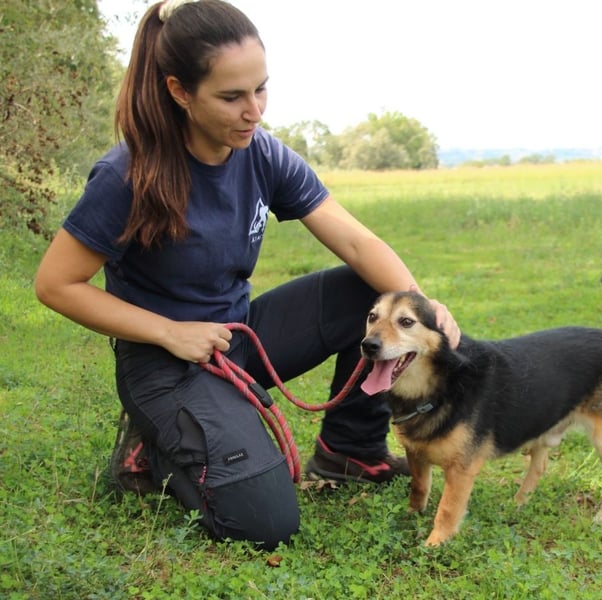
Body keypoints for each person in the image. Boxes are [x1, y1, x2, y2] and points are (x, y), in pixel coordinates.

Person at [34, 0, 460, 550]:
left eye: (261, 89)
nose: (253, 110)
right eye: (232, 97)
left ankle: (350, 450)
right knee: (265, 521)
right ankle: (155, 448)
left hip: (239, 337)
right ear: (179, 91)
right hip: (164, 363)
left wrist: (417, 309)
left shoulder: (262, 153)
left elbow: (356, 240)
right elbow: (55, 284)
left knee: (372, 290)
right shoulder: (128, 174)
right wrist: (169, 331)